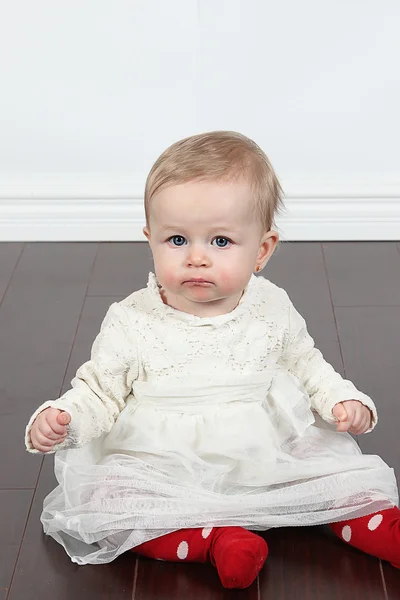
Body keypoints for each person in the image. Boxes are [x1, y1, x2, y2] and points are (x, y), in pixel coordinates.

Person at [24, 131, 399, 589]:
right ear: (151, 240)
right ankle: (213, 541)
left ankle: (375, 526)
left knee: (336, 477)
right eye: (177, 239)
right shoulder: (131, 318)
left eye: (221, 242)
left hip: (264, 443)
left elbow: (307, 364)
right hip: (163, 455)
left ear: (262, 250)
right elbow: (100, 390)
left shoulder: (271, 305)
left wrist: (342, 400)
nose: (197, 258)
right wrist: (64, 417)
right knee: (112, 500)